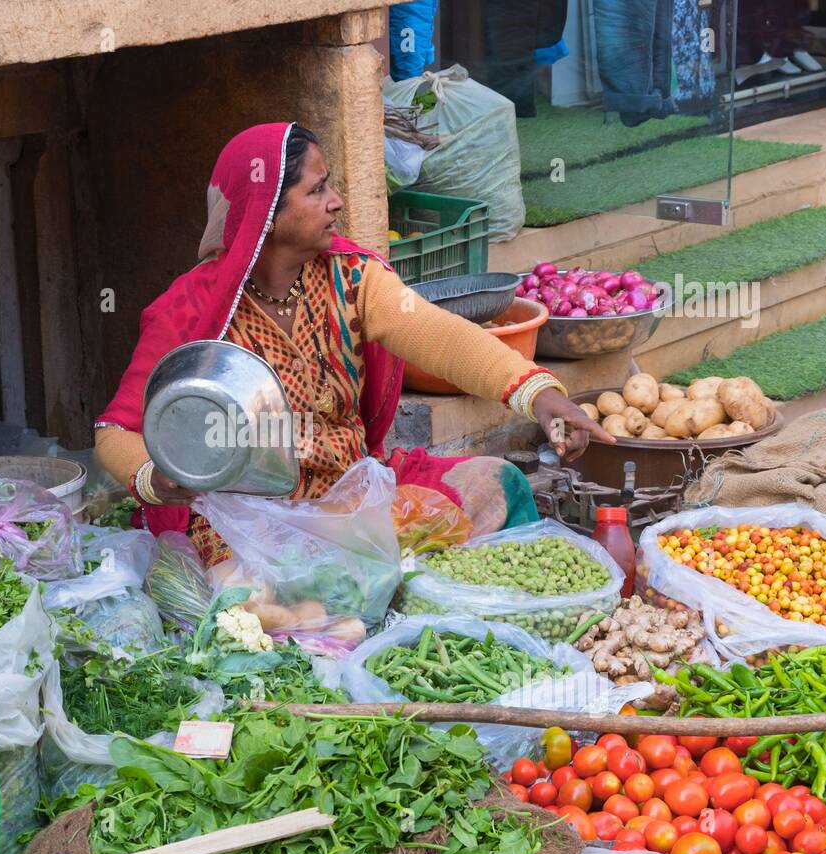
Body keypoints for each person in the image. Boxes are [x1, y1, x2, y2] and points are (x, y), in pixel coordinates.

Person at [95, 122, 612, 566]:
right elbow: (116, 430)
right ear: (267, 214)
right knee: (266, 596)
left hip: (357, 497)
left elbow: (440, 334)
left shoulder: (353, 277)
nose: (336, 201)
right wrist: (153, 478)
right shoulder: (190, 310)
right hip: (254, 530)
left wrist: (540, 396)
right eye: (317, 190)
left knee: (496, 484)